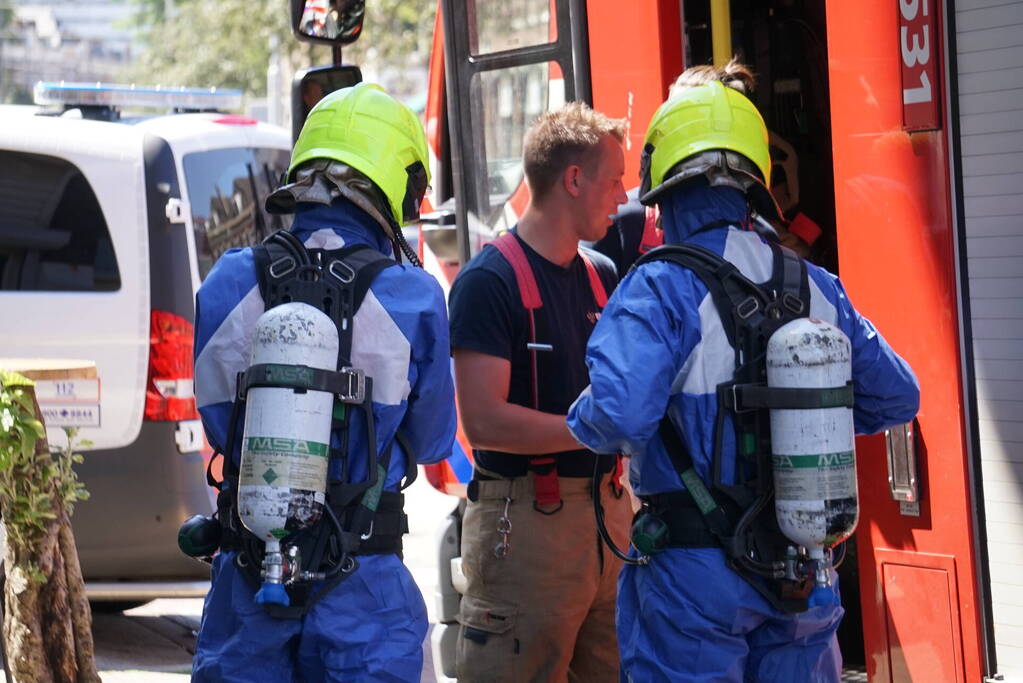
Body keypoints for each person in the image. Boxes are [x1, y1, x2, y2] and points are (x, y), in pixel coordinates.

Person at [567, 64, 920, 681]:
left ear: (663, 186)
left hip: (693, 581)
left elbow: (618, 417)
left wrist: (581, 417)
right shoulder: (813, 285)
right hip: (803, 573)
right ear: (755, 184)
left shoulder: (658, 286)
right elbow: (897, 396)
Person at [191, 83, 456, 682]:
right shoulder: (412, 296)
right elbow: (434, 441)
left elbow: (217, 425)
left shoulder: (229, 281)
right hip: (365, 588)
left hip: (250, 578)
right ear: (394, 181)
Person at [448, 101, 631, 682]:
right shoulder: (488, 282)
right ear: (573, 180)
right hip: (526, 526)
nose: (624, 197)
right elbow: (483, 423)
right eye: (615, 179)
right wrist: (586, 429)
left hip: (610, 519)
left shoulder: (602, 274)